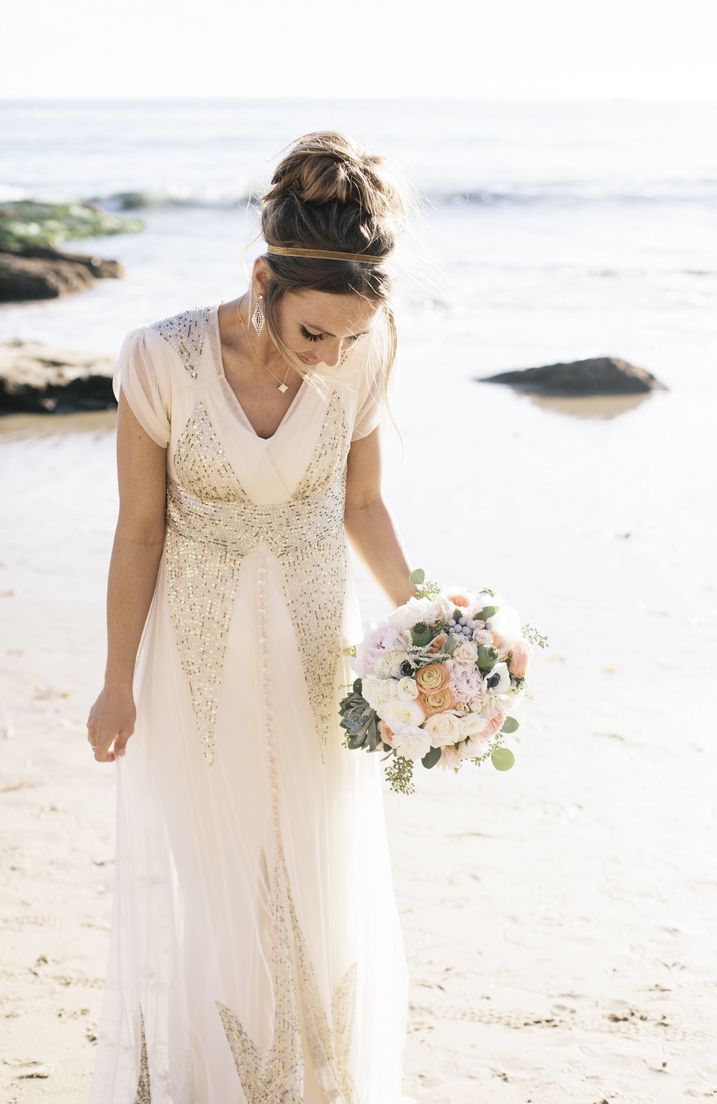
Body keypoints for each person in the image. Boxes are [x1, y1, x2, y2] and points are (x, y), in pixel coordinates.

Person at [87, 130, 420, 1103]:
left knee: (325, 875)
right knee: (223, 883)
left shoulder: (363, 352)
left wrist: (430, 629)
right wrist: (115, 681)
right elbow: (139, 532)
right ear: (262, 276)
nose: (331, 355)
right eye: (315, 331)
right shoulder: (159, 360)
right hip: (196, 659)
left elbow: (361, 508)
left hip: (322, 654)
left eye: (351, 337)